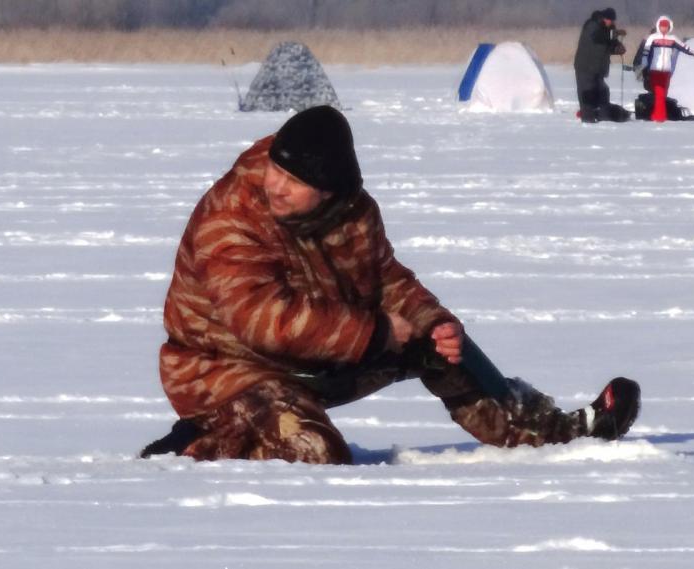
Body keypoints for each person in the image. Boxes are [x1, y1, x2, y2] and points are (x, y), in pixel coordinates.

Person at [140, 105, 641, 465]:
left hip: (313, 362)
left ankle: (561, 433)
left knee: (443, 347)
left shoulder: (357, 213)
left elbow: (387, 282)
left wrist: (433, 322)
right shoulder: (231, 215)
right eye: (276, 170)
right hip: (221, 372)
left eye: (292, 181)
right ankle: (201, 439)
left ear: (329, 190)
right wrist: (377, 334)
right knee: (317, 455)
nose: (275, 185)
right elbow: (260, 320)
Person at [640, 15, 694, 122]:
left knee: (662, 95)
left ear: (669, 27)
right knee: (659, 94)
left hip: (666, 72)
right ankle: (659, 117)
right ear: (658, 26)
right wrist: (644, 67)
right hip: (654, 71)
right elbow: (645, 53)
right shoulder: (652, 38)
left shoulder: (673, 39)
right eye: (662, 26)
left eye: (666, 27)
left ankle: (658, 115)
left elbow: (687, 49)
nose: (664, 29)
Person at [573, 7, 628, 123]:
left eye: (612, 20)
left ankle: (604, 117)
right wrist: (615, 34)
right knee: (586, 92)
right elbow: (598, 38)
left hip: (599, 68)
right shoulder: (592, 25)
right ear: (603, 18)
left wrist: (617, 48)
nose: (610, 22)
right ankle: (587, 118)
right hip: (585, 66)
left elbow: (608, 45)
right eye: (608, 19)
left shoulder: (609, 29)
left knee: (603, 91)